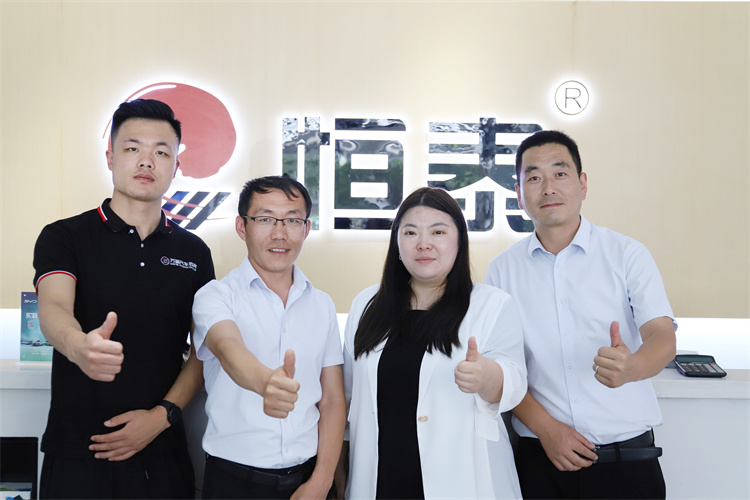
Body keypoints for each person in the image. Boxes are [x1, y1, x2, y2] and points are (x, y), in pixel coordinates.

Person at [33, 99, 215, 499]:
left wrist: (162, 416)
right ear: (111, 158)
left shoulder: (193, 252)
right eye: (133, 148)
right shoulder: (65, 236)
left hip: (162, 453)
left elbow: (205, 349)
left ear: (176, 167)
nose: (146, 161)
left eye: (161, 152)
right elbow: (54, 308)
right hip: (78, 450)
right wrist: (78, 345)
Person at [485, 130, 677, 499]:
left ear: (582, 183)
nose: (548, 188)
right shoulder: (502, 270)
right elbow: (503, 368)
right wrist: (546, 429)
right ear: (519, 193)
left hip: (627, 462)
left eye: (560, 173)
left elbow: (662, 336)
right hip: (542, 461)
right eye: (534, 178)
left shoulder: (627, 254)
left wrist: (633, 366)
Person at [342, 187, 527, 499]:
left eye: (438, 232)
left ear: (459, 241)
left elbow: (514, 382)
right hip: (380, 480)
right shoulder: (367, 304)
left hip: (462, 481)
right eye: (410, 232)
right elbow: (348, 396)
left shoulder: (492, 304)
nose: (423, 243)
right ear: (396, 243)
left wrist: (486, 375)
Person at [192, 175, 346, 500]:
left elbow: (332, 400)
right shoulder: (215, 296)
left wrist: (322, 480)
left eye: (292, 220)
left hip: (309, 480)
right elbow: (228, 347)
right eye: (265, 219)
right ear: (241, 226)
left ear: (306, 228)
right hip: (235, 484)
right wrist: (265, 383)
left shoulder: (322, 305)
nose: (280, 233)